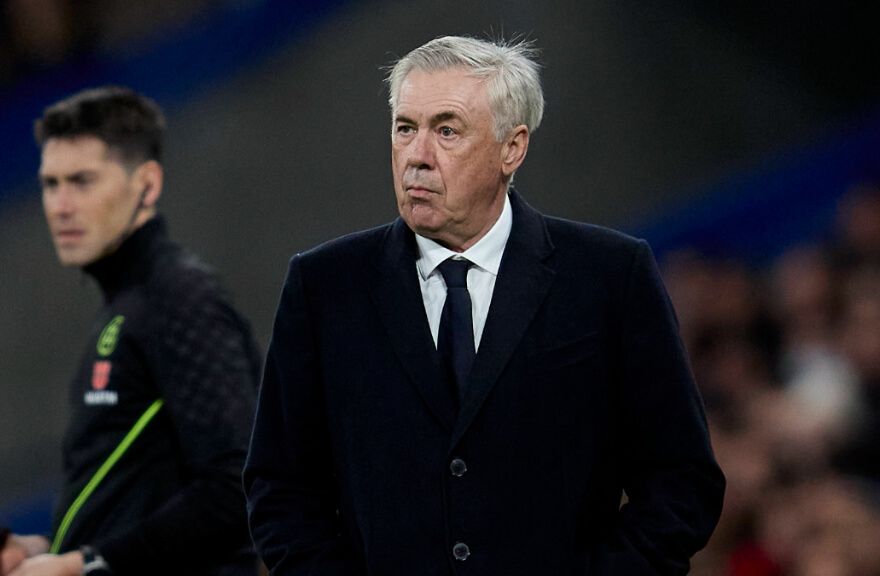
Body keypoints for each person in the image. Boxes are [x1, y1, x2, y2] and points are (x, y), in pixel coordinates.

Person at [244, 36, 725, 575]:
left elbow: (682, 482)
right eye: (406, 128)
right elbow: (280, 489)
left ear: (512, 148)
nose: (417, 156)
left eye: (446, 130)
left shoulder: (610, 276)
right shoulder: (323, 287)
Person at [0, 86, 261, 575]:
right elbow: (141, 496)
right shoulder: (127, 307)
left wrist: (83, 564)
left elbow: (236, 488)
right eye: (50, 184)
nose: (60, 205)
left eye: (82, 181)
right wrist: (45, 550)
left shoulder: (179, 299)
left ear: (148, 184)